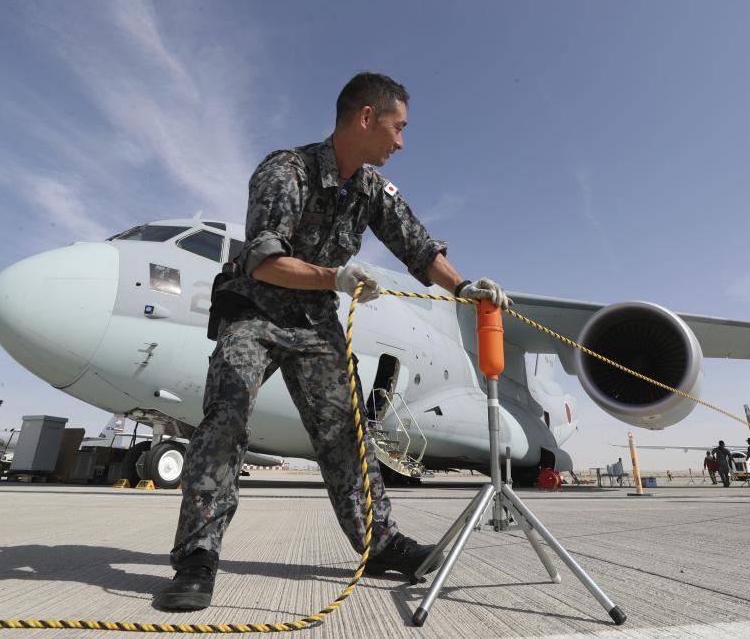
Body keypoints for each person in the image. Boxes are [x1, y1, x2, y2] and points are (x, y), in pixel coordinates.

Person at [154, 72, 511, 611]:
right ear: (367, 118)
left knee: (346, 431)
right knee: (227, 415)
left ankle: (380, 542)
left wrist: (463, 286)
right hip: (255, 309)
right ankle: (198, 555)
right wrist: (334, 278)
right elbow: (265, 260)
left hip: (313, 320)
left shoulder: (371, 189)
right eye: (398, 128)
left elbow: (418, 249)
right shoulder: (285, 170)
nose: (401, 142)